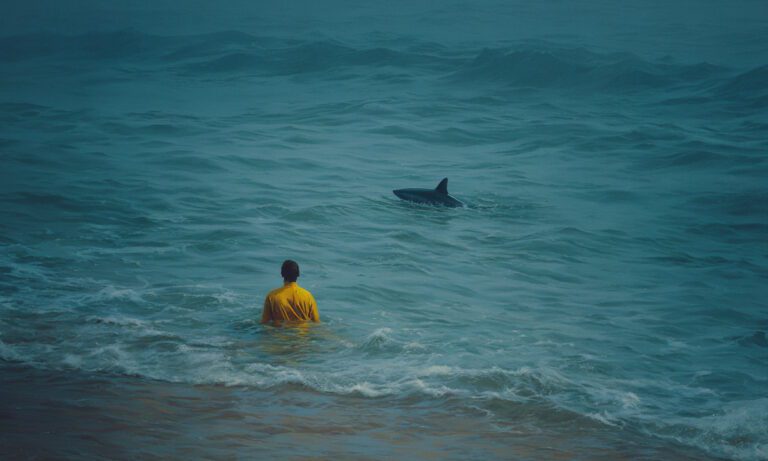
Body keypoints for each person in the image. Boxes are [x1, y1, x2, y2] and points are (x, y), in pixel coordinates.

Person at [261, 260, 319, 326]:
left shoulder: (272, 296)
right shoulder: (308, 296)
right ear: (298, 274)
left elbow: (264, 323)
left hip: (280, 331)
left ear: (282, 274)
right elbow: (316, 322)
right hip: (303, 332)